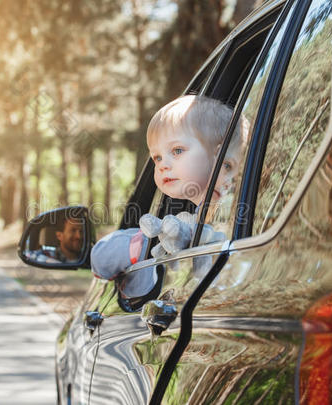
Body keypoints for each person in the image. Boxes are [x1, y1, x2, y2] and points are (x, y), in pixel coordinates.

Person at [90, 95, 248, 297]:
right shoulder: (202, 215)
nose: (163, 164)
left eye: (177, 150)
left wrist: (142, 246)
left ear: (220, 158)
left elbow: (102, 259)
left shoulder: (230, 212)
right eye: (157, 157)